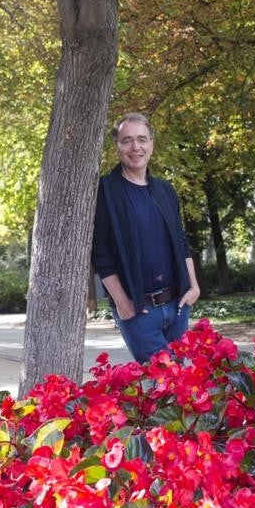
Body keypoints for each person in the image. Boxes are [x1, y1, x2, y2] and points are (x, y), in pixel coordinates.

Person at [92, 112, 201, 363]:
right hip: (138, 310)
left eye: (142, 139)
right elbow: (100, 252)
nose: (135, 147)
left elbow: (181, 241)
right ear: (117, 146)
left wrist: (194, 287)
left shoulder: (165, 190)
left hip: (178, 305)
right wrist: (122, 303)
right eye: (127, 140)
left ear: (151, 143)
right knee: (165, 386)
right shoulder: (105, 191)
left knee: (179, 386)